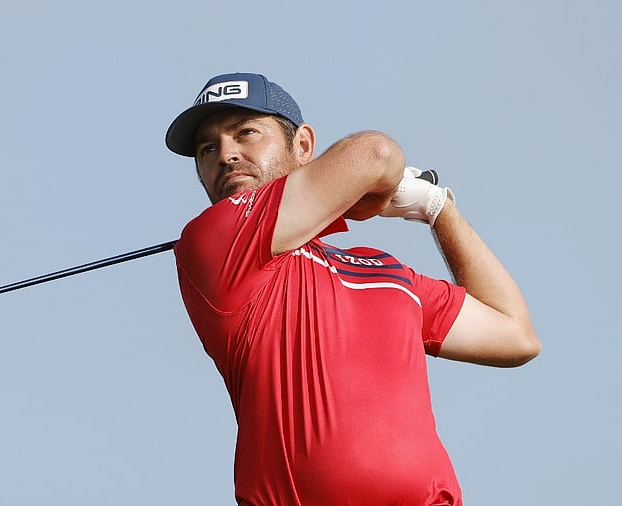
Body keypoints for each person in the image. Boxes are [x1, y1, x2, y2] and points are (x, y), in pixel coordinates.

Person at [165, 72, 540, 506]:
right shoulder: (214, 240)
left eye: (246, 133)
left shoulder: (382, 270)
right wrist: (372, 188)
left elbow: (516, 335)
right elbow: (376, 152)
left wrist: (437, 208)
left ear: (303, 146)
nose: (226, 155)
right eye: (207, 149)